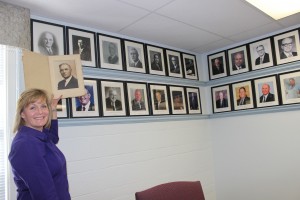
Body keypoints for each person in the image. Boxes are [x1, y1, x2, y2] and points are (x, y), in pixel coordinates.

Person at [8, 89, 71, 200]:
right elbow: (44, 195)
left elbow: (54, 137)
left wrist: (53, 108)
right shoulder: (25, 145)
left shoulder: (39, 135)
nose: (40, 112)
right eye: (33, 107)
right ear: (22, 113)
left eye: (43, 106)